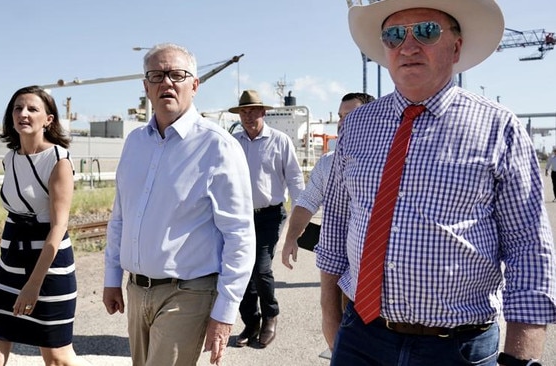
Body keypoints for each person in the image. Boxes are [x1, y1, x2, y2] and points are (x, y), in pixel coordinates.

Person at [317, 1, 556, 365]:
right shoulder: (357, 126)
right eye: (395, 34)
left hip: (457, 348)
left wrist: (521, 358)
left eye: (426, 31)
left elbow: (528, 248)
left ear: (456, 47)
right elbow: (335, 222)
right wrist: (330, 316)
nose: (408, 46)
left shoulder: (498, 128)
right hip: (361, 336)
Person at [102, 43, 255, 366]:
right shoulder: (134, 143)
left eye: (177, 74)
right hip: (136, 290)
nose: (166, 83)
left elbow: (239, 235)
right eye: (156, 75)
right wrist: (112, 278)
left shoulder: (217, 147)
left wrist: (224, 314)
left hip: (187, 294)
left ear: (195, 85)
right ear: (146, 87)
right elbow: (120, 218)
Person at [0, 86, 86, 366]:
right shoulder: (10, 158)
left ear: (48, 119)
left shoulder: (59, 161)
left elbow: (58, 227)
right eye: (18, 108)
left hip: (49, 268)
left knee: (57, 359)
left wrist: (33, 284)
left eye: (32, 109)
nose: (23, 114)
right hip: (9, 265)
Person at [280, 92, 374, 352]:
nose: (343, 123)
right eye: (340, 117)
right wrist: (290, 239)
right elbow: (307, 202)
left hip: (370, 253)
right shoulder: (327, 163)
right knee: (330, 306)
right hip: (334, 247)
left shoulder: (385, 161)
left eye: (351, 116)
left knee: (358, 312)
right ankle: (339, 355)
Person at [228, 89, 305, 348]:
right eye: (244, 111)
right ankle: (251, 322)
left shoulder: (280, 140)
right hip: (239, 217)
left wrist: (300, 212)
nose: (248, 116)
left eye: (253, 111)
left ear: (264, 112)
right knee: (241, 271)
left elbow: (294, 177)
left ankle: (270, 316)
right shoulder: (233, 141)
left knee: (260, 269)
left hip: (269, 216)